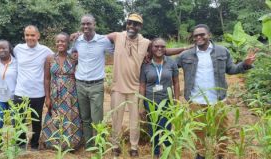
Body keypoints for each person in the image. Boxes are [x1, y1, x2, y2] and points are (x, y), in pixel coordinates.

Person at [106, 13, 188, 157]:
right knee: (116, 119)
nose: (132, 26)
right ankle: (115, 145)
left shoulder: (146, 42)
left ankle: (134, 147)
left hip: (136, 88)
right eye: (130, 23)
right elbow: (96, 40)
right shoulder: (116, 36)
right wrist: (78, 35)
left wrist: (184, 48)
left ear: (140, 26)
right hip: (117, 87)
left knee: (135, 120)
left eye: (135, 24)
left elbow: (163, 51)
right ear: (126, 23)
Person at [176, 24, 256, 159]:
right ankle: (200, 155)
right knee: (198, 131)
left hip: (218, 100)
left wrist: (245, 64)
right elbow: (170, 66)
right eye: (196, 35)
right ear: (193, 38)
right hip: (196, 101)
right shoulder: (186, 55)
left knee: (222, 130)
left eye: (202, 34)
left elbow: (231, 70)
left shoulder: (222, 51)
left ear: (209, 35)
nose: (199, 37)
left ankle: (220, 155)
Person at [71, 14, 113, 148]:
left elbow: (116, 53)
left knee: (97, 118)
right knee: (85, 117)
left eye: (88, 23)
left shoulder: (103, 40)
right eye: (83, 24)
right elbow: (67, 52)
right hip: (80, 84)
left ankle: (99, 144)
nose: (85, 26)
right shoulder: (77, 41)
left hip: (97, 85)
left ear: (94, 24)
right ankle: (89, 145)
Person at [13, 25, 54, 150]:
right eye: (27, 35)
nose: (29, 37)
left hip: (38, 93)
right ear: (24, 36)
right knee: (19, 121)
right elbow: (6, 57)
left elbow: (58, 58)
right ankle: (20, 144)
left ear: (38, 36)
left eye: (32, 35)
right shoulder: (17, 49)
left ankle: (35, 145)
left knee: (36, 121)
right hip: (20, 92)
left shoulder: (46, 51)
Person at [40, 32, 82, 150]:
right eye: (58, 41)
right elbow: (47, 78)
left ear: (67, 43)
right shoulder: (50, 58)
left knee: (70, 116)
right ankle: (53, 143)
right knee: (54, 116)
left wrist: (77, 35)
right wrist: (47, 97)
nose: (60, 43)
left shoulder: (73, 58)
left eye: (63, 41)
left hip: (70, 93)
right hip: (55, 93)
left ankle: (71, 144)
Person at [139, 38, 180, 158]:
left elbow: (176, 83)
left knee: (166, 127)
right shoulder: (145, 64)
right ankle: (156, 153)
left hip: (167, 101)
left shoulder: (171, 63)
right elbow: (142, 85)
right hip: (150, 102)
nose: (159, 49)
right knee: (153, 128)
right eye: (156, 46)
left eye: (162, 46)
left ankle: (167, 152)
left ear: (165, 48)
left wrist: (176, 101)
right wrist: (141, 104)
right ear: (151, 48)